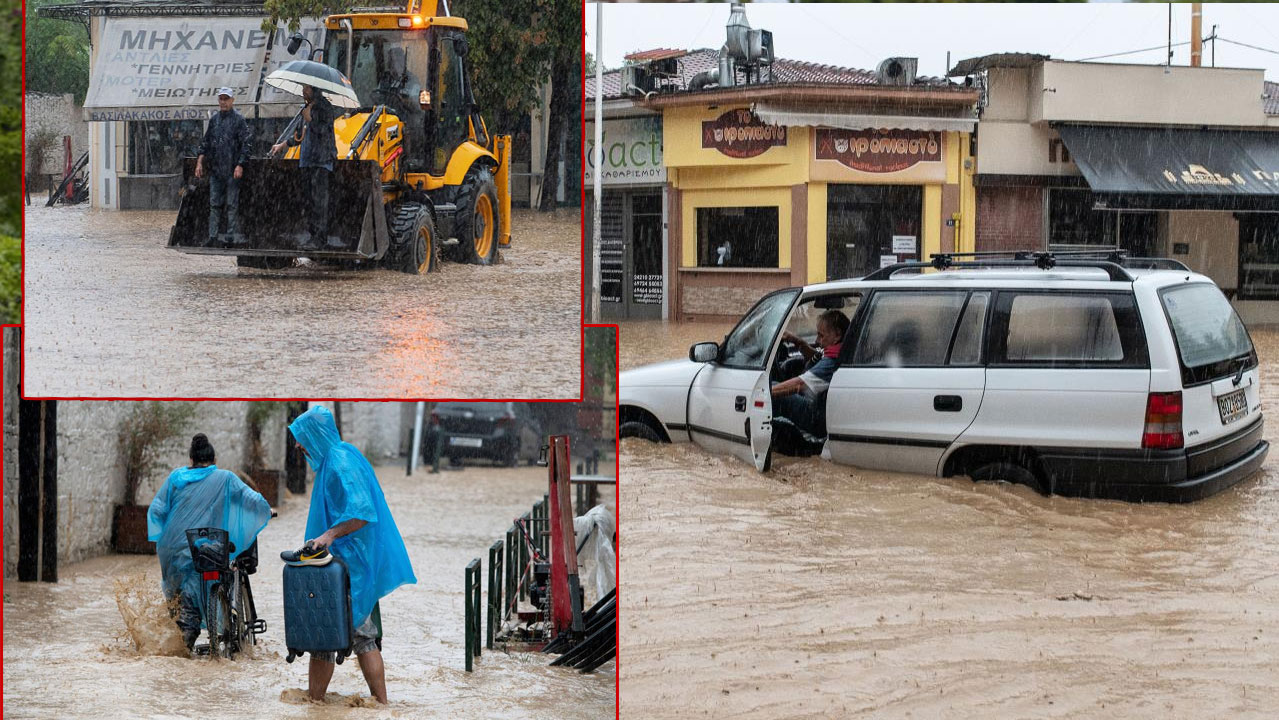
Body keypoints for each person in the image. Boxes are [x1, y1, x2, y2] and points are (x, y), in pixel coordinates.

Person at [286, 406, 416, 704]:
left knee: (358, 636)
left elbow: (362, 514)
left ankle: (378, 703)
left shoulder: (340, 464)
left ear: (315, 435)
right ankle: (320, 704)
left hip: (350, 566)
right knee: (330, 636)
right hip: (340, 564)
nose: (297, 444)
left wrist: (328, 535)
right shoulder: (338, 457)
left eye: (301, 437)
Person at [146, 434, 271, 651]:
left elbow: (157, 510)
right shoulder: (224, 478)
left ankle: (169, 646)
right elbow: (252, 500)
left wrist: (168, 531)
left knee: (176, 598)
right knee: (192, 598)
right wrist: (267, 510)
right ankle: (183, 645)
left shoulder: (176, 477)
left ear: (191, 460)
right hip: (200, 545)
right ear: (214, 460)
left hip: (170, 547)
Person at [272, 84, 339, 250]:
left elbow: (324, 131)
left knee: (319, 201)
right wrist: (283, 145)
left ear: (315, 89)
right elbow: (300, 135)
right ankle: (311, 235)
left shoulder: (325, 107)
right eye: (303, 88)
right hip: (307, 161)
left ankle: (320, 239)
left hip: (321, 160)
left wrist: (310, 119)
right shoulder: (306, 107)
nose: (303, 91)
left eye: (306, 89)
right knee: (308, 200)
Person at [770, 310, 851, 438]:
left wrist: (763, 393)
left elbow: (799, 385)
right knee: (774, 386)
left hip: (818, 419)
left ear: (837, 335)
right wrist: (799, 342)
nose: (817, 340)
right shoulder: (838, 350)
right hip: (822, 410)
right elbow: (816, 358)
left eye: (821, 335)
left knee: (775, 395)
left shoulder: (833, 361)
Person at [195, 87, 253, 246]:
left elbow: (246, 145)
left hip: (231, 170)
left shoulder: (239, 120)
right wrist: (199, 162)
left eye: (226, 99)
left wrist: (240, 165)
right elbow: (205, 143)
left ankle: (230, 237)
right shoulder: (214, 120)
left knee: (232, 204)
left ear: (232, 101)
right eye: (221, 99)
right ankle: (213, 237)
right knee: (214, 204)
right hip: (216, 170)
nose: (223, 102)